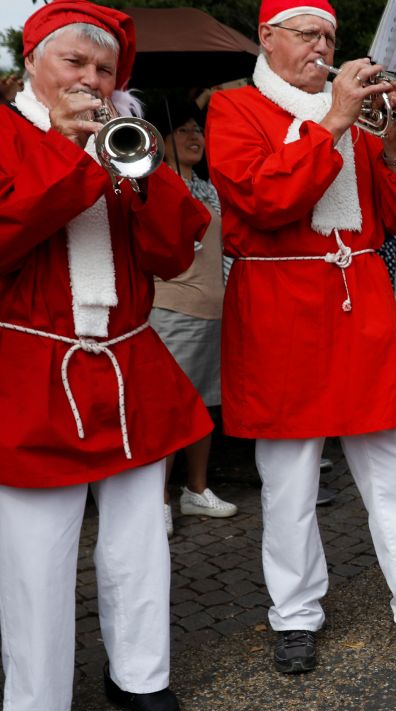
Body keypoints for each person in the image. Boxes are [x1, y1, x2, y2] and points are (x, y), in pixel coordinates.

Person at [207, 0, 396, 673]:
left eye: (330, 37)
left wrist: (394, 144)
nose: (322, 47)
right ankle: (295, 614)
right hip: (279, 307)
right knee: (289, 480)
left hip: (357, 303)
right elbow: (264, 201)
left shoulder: (361, 121)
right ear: (268, 37)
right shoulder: (234, 109)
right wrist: (334, 120)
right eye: (308, 34)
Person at [1, 0, 214, 711]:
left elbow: (173, 254)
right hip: (35, 366)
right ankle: (31, 706)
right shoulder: (6, 134)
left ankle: (139, 674)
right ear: (33, 63)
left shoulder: (127, 138)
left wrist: (144, 174)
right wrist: (66, 156)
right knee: (35, 552)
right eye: (75, 63)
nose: (91, 79)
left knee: (139, 536)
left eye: (104, 68)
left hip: (126, 361)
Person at [146, 99, 239, 533]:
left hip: (213, 310)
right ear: (162, 139)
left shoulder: (208, 187)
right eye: (182, 130)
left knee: (204, 405)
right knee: (170, 408)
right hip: (171, 309)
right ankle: (158, 498)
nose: (193, 137)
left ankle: (195, 490)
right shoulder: (153, 182)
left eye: (197, 130)